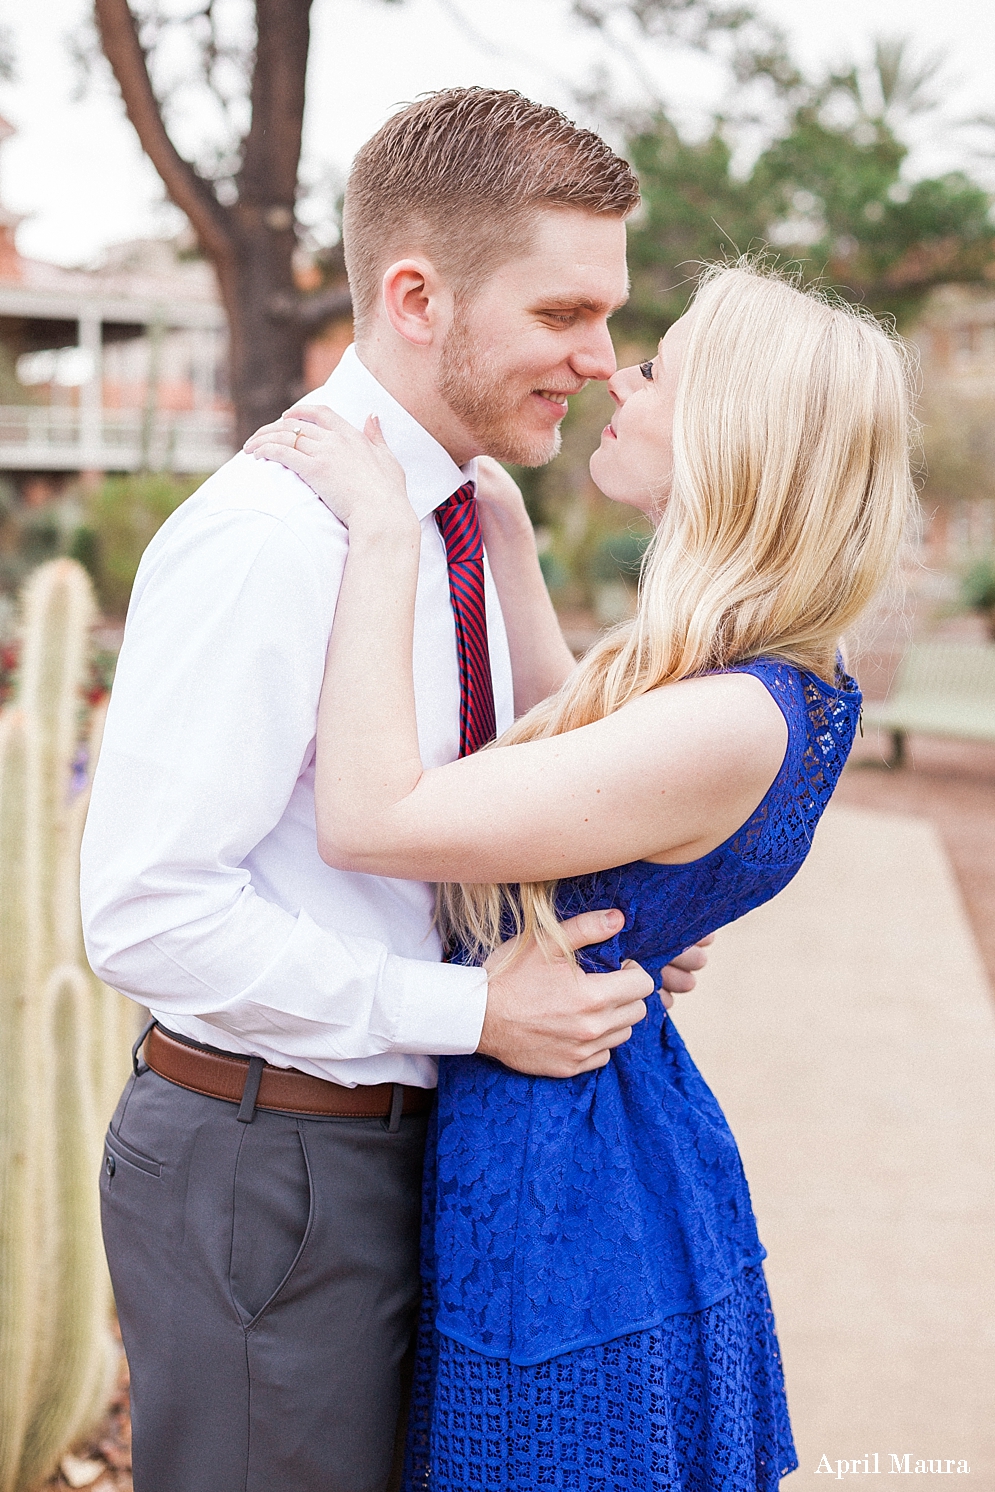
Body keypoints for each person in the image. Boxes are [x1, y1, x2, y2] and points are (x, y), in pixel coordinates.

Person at [80, 88, 705, 1492]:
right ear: (416, 296)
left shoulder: (457, 521)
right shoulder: (270, 540)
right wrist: (476, 1010)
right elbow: (145, 913)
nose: (600, 361)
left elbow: (473, 801)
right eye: (560, 317)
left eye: (604, 319)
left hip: (402, 1147)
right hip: (272, 1172)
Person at [244, 261, 916, 1491]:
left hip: (574, 1223)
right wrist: (502, 536)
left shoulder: (728, 717)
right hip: (591, 1163)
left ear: (731, 437)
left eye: (657, 366)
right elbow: (589, 746)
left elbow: (372, 815)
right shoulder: (758, 684)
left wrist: (389, 533)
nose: (617, 371)